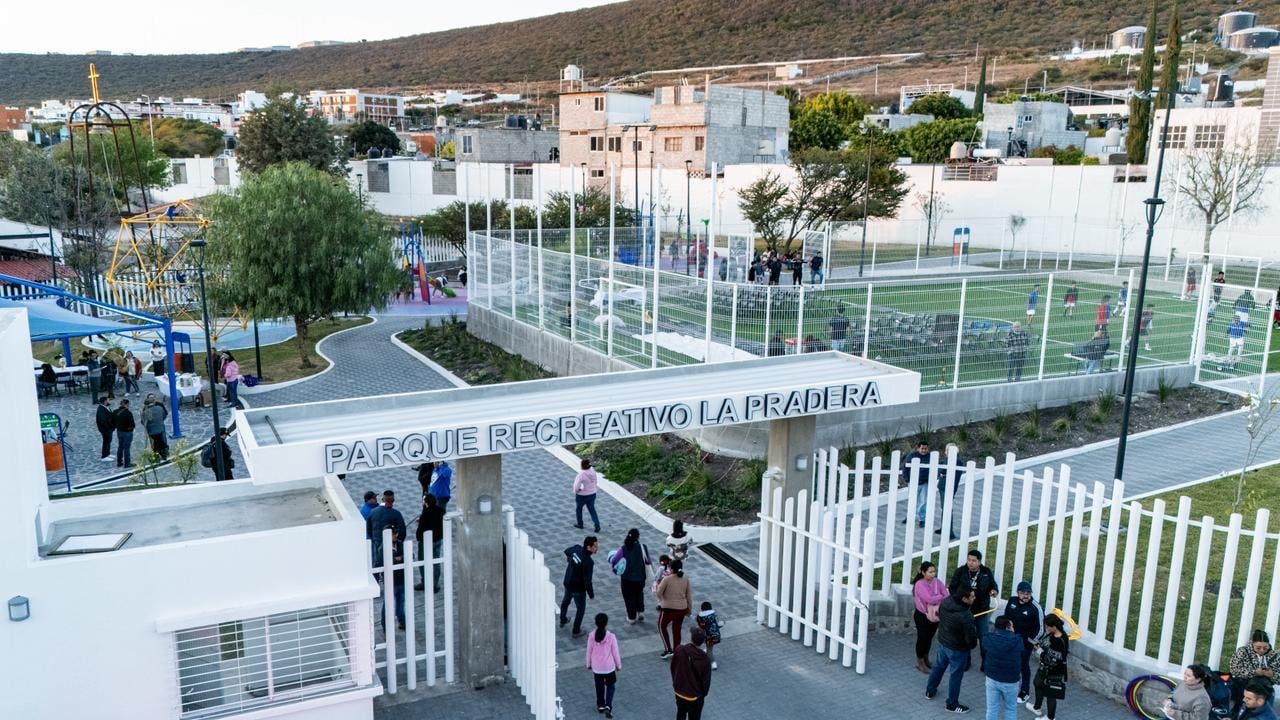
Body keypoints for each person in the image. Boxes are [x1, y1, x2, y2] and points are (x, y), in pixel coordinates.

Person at [925, 587, 978, 714]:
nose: (974, 598)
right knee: (955, 676)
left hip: (943, 642)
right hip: (958, 649)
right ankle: (952, 704)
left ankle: (930, 691)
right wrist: (971, 645)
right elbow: (971, 638)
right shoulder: (966, 616)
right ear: (964, 599)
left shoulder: (946, 602)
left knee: (938, 667)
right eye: (972, 596)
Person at [1003, 581, 1045, 702]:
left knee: (1023, 665)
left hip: (1025, 642)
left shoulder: (1036, 607)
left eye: (1028, 593)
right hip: (1011, 639)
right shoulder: (1012, 601)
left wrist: (1032, 640)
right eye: (1022, 593)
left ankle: (1025, 691)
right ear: (1017, 593)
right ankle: (1009, 686)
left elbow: (1041, 628)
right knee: (1010, 662)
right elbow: (1006, 618)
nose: (1025, 595)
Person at [949, 550, 999, 644]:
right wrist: (960, 601)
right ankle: (964, 657)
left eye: (973, 560)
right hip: (964, 610)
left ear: (979, 562)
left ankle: (985, 658)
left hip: (982, 610)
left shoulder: (986, 571)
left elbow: (993, 585)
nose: (970, 563)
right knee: (963, 637)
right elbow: (952, 588)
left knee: (984, 637)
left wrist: (994, 591)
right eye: (969, 560)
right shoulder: (960, 571)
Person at [1026, 613, 1069, 719]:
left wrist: (1040, 652)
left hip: (1054, 671)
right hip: (1043, 668)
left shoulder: (1060, 640)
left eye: (1047, 626)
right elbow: (1046, 645)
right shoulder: (1052, 634)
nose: (1045, 628)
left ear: (1054, 626)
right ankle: (1037, 707)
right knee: (1037, 684)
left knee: (1051, 694)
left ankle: (1050, 718)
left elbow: (1054, 659)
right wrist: (1038, 645)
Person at [913, 561, 951, 673]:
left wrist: (938, 596)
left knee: (929, 638)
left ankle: (926, 658)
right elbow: (929, 599)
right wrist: (939, 596)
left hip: (935, 614)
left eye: (934, 571)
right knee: (922, 638)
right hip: (922, 615)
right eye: (930, 572)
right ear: (923, 572)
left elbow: (947, 595)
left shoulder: (937, 582)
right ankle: (920, 661)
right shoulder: (919, 584)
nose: (933, 574)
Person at [984, 616, 1025, 720]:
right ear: (1008, 627)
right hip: (1010, 681)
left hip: (991, 678)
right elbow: (1022, 652)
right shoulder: (1017, 640)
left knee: (992, 708)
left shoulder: (988, 638)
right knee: (1010, 708)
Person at [671, 627, 713, 720]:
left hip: (679, 692)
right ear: (702, 642)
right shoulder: (705, 659)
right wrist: (702, 694)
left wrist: (676, 683)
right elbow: (706, 681)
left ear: (691, 638)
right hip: (694, 696)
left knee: (681, 713)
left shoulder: (679, 649)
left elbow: (673, 667)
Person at [613, 528, 653, 625]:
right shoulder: (643, 547)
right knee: (639, 593)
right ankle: (641, 611)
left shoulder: (623, 549)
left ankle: (631, 617)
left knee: (629, 597)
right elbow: (648, 561)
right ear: (638, 537)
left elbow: (615, 560)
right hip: (640, 578)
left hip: (627, 579)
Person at [560, 535, 597, 637]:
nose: (596, 548)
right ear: (588, 547)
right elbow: (587, 580)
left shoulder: (577, 549)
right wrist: (591, 594)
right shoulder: (589, 562)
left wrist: (571, 560)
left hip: (568, 582)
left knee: (566, 601)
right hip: (578, 588)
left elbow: (567, 551)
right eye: (594, 546)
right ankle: (576, 630)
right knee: (580, 609)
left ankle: (563, 619)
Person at [586, 613, 621, 718]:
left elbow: (589, 651)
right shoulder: (611, 636)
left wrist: (588, 664)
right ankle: (608, 706)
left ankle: (600, 705)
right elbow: (615, 652)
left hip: (597, 668)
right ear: (606, 623)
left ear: (596, 623)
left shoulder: (591, 636)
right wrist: (618, 665)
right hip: (609, 667)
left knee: (599, 686)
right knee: (611, 686)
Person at [656, 558, 692, 658]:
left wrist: (662, 600)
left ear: (671, 568)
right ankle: (677, 650)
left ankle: (668, 650)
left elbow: (659, 592)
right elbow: (689, 596)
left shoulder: (667, 579)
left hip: (668, 609)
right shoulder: (685, 578)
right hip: (682, 609)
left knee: (661, 626)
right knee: (677, 629)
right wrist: (689, 609)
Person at [1229, 630, 1280, 696]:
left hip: (1264, 688)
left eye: (1265, 648)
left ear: (1268, 645)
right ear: (1252, 644)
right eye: (1258, 648)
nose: (1262, 650)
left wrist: (1272, 675)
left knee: (1264, 694)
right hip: (1244, 686)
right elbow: (1233, 670)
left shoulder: (1275, 656)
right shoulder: (1243, 651)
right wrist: (1254, 672)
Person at [414, 493, 446, 592]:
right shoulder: (441, 510)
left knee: (423, 561)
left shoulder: (426, 514)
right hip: (438, 539)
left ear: (426, 502)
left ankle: (425, 582)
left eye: (424, 500)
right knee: (436, 561)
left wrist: (419, 535)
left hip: (426, 541)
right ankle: (435, 584)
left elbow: (420, 531)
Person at [367, 489, 407, 564]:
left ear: (382, 499)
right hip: (390, 546)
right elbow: (402, 532)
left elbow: (368, 529)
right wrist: (397, 543)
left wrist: (374, 538)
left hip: (376, 543)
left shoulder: (372, 512)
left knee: (377, 565)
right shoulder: (396, 514)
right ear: (393, 500)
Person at [574, 458, 601, 532]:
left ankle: (580, 524)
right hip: (592, 494)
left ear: (582, 465)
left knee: (579, 509)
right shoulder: (592, 471)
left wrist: (576, 491)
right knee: (592, 509)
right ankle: (597, 524)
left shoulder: (581, 474)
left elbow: (577, 486)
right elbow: (595, 481)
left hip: (582, 495)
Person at [695, 601, 722, 670]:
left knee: (709, 650)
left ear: (702, 609)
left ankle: (713, 663)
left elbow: (700, 626)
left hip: (708, 636)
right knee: (710, 647)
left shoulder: (700, 617)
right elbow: (720, 624)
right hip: (716, 635)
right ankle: (707, 652)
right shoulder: (714, 614)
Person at [141, 393, 169, 459]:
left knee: (154, 445)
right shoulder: (159, 408)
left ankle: (156, 457)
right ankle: (164, 455)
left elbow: (143, 422)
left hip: (151, 431)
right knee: (161, 442)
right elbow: (164, 415)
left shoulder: (146, 411)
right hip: (160, 429)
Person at [112, 398, 135, 468]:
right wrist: (130, 429)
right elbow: (132, 425)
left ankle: (119, 462)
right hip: (127, 433)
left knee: (120, 447)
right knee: (126, 448)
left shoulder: (115, 412)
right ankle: (127, 463)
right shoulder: (128, 413)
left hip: (119, 431)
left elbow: (113, 422)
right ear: (126, 404)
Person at [95, 397, 115, 461]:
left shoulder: (106, 407)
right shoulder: (101, 409)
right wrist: (109, 427)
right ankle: (104, 456)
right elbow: (103, 421)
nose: (108, 401)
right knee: (106, 441)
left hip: (109, 428)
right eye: (107, 400)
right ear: (104, 401)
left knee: (109, 441)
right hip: (105, 429)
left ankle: (108, 453)